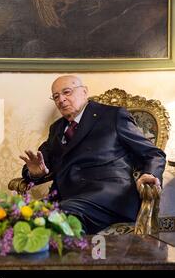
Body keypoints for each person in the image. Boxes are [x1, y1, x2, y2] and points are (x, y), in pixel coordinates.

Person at [19, 75, 166, 234]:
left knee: (59, 218)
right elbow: (39, 162)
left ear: (84, 92)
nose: (61, 99)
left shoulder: (113, 116)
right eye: (56, 97)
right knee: (19, 217)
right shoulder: (57, 129)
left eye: (67, 92)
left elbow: (153, 153)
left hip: (109, 196)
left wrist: (149, 174)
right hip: (67, 198)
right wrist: (34, 173)